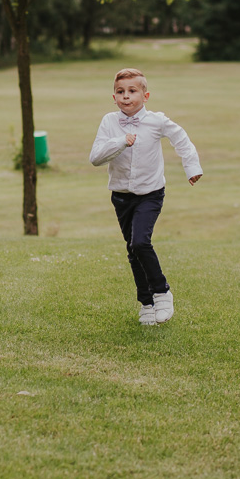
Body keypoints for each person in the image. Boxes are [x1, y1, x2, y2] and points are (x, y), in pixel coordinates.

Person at [89, 68, 202, 326]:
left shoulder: (157, 121)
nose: (126, 96)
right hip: (121, 197)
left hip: (150, 194)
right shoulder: (109, 122)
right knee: (132, 250)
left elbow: (181, 140)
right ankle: (147, 303)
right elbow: (95, 158)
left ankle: (162, 293)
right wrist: (120, 141)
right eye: (120, 92)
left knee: (140, 242)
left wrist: (192, 167)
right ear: (114, 97)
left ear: (145, 95)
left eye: (132, 91)